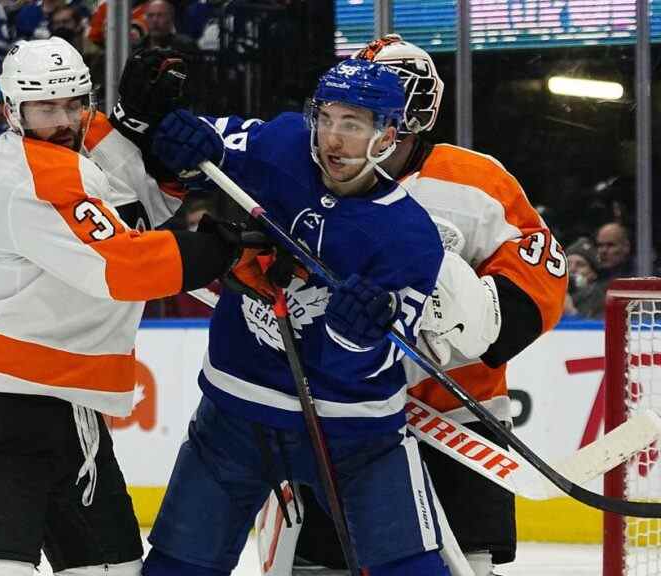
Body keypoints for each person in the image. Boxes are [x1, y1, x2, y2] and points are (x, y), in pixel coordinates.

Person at [0, 36, 282, 576]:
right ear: (11, 111)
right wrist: (220, 249)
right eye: (46, 107)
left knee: (113, 570)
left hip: (71, 412)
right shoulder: (30, 173)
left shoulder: (80, 153)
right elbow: (123, 265)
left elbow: (141, 206)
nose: (63, 119)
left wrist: (138, 127)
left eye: (73, 103)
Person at [256, 35, 568, 576]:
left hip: (457, 417)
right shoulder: (308, 172)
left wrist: (460, 336)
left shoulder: (476, 180)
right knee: (319, 564)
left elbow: (540, 277)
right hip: (343, 418)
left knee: (466, 564)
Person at [142, 59, 449, 575]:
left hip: (355, 436)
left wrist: (358, 337)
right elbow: (208, 144)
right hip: (235, 418)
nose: (332, 137)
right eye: (325, 118)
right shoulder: (283, 143)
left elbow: (387, 353)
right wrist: (181, 144)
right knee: (177, 568)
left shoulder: (410, 236)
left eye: (351, 123)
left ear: (388, 134)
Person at [564, 236, 599, 318]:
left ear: (593, 274)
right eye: (567, 264)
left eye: (580, 265)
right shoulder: (554, 293)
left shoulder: (600, 298)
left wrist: (571, 313)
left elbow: (596, 329)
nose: (571, 269)